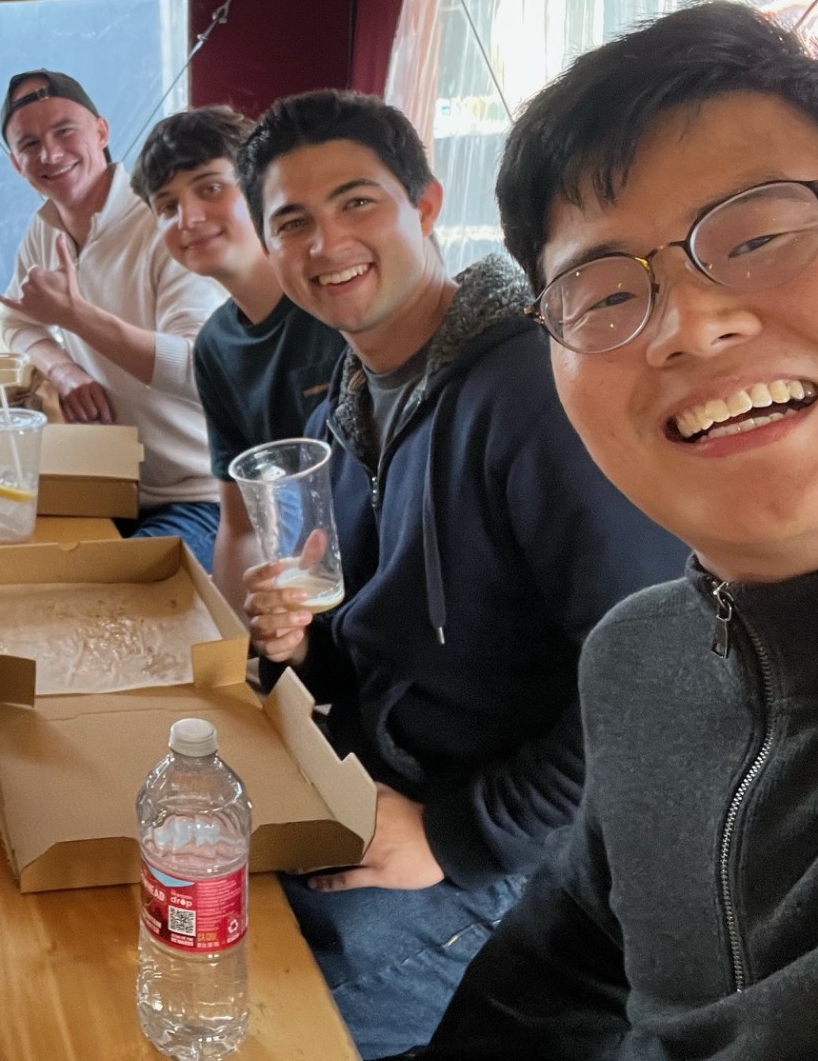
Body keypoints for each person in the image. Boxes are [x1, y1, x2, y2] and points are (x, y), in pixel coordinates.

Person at [410, 2, 818, 1058]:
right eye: (605, 291)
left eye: (760, 235)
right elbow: (537, 1001)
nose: (692, 323)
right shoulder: (644, 662)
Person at [233, 89, 687, 1058]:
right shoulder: (338, 422)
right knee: (168, 906)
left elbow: (654, 680)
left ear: (427, 206)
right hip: (377, 803)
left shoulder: (534, 393)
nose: (328, 243)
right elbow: (358, 661)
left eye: (359, 203)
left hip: (518, 860)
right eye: (293, 222)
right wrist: (288, 646)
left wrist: (451, 839)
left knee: (226, 1022)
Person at [0, 71, 227, 569]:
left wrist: (76, 317)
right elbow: (16, 322)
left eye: (64, 131)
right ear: (16, 164)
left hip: (198, 493)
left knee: (111, 603)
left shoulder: (163, 220)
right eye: (30, 144)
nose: (50, 154)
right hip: (105, 481)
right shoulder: (45, 227)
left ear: (101, 131)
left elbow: (199, 370)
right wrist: (64, 370)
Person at [134, 106, 346, 610]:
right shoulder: (214, 347)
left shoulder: (336, 301)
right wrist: (239, 654)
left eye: (210, 188)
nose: (188, 219)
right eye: (167, 206)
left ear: (260, 190)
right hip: (304, 598)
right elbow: (240, 525)